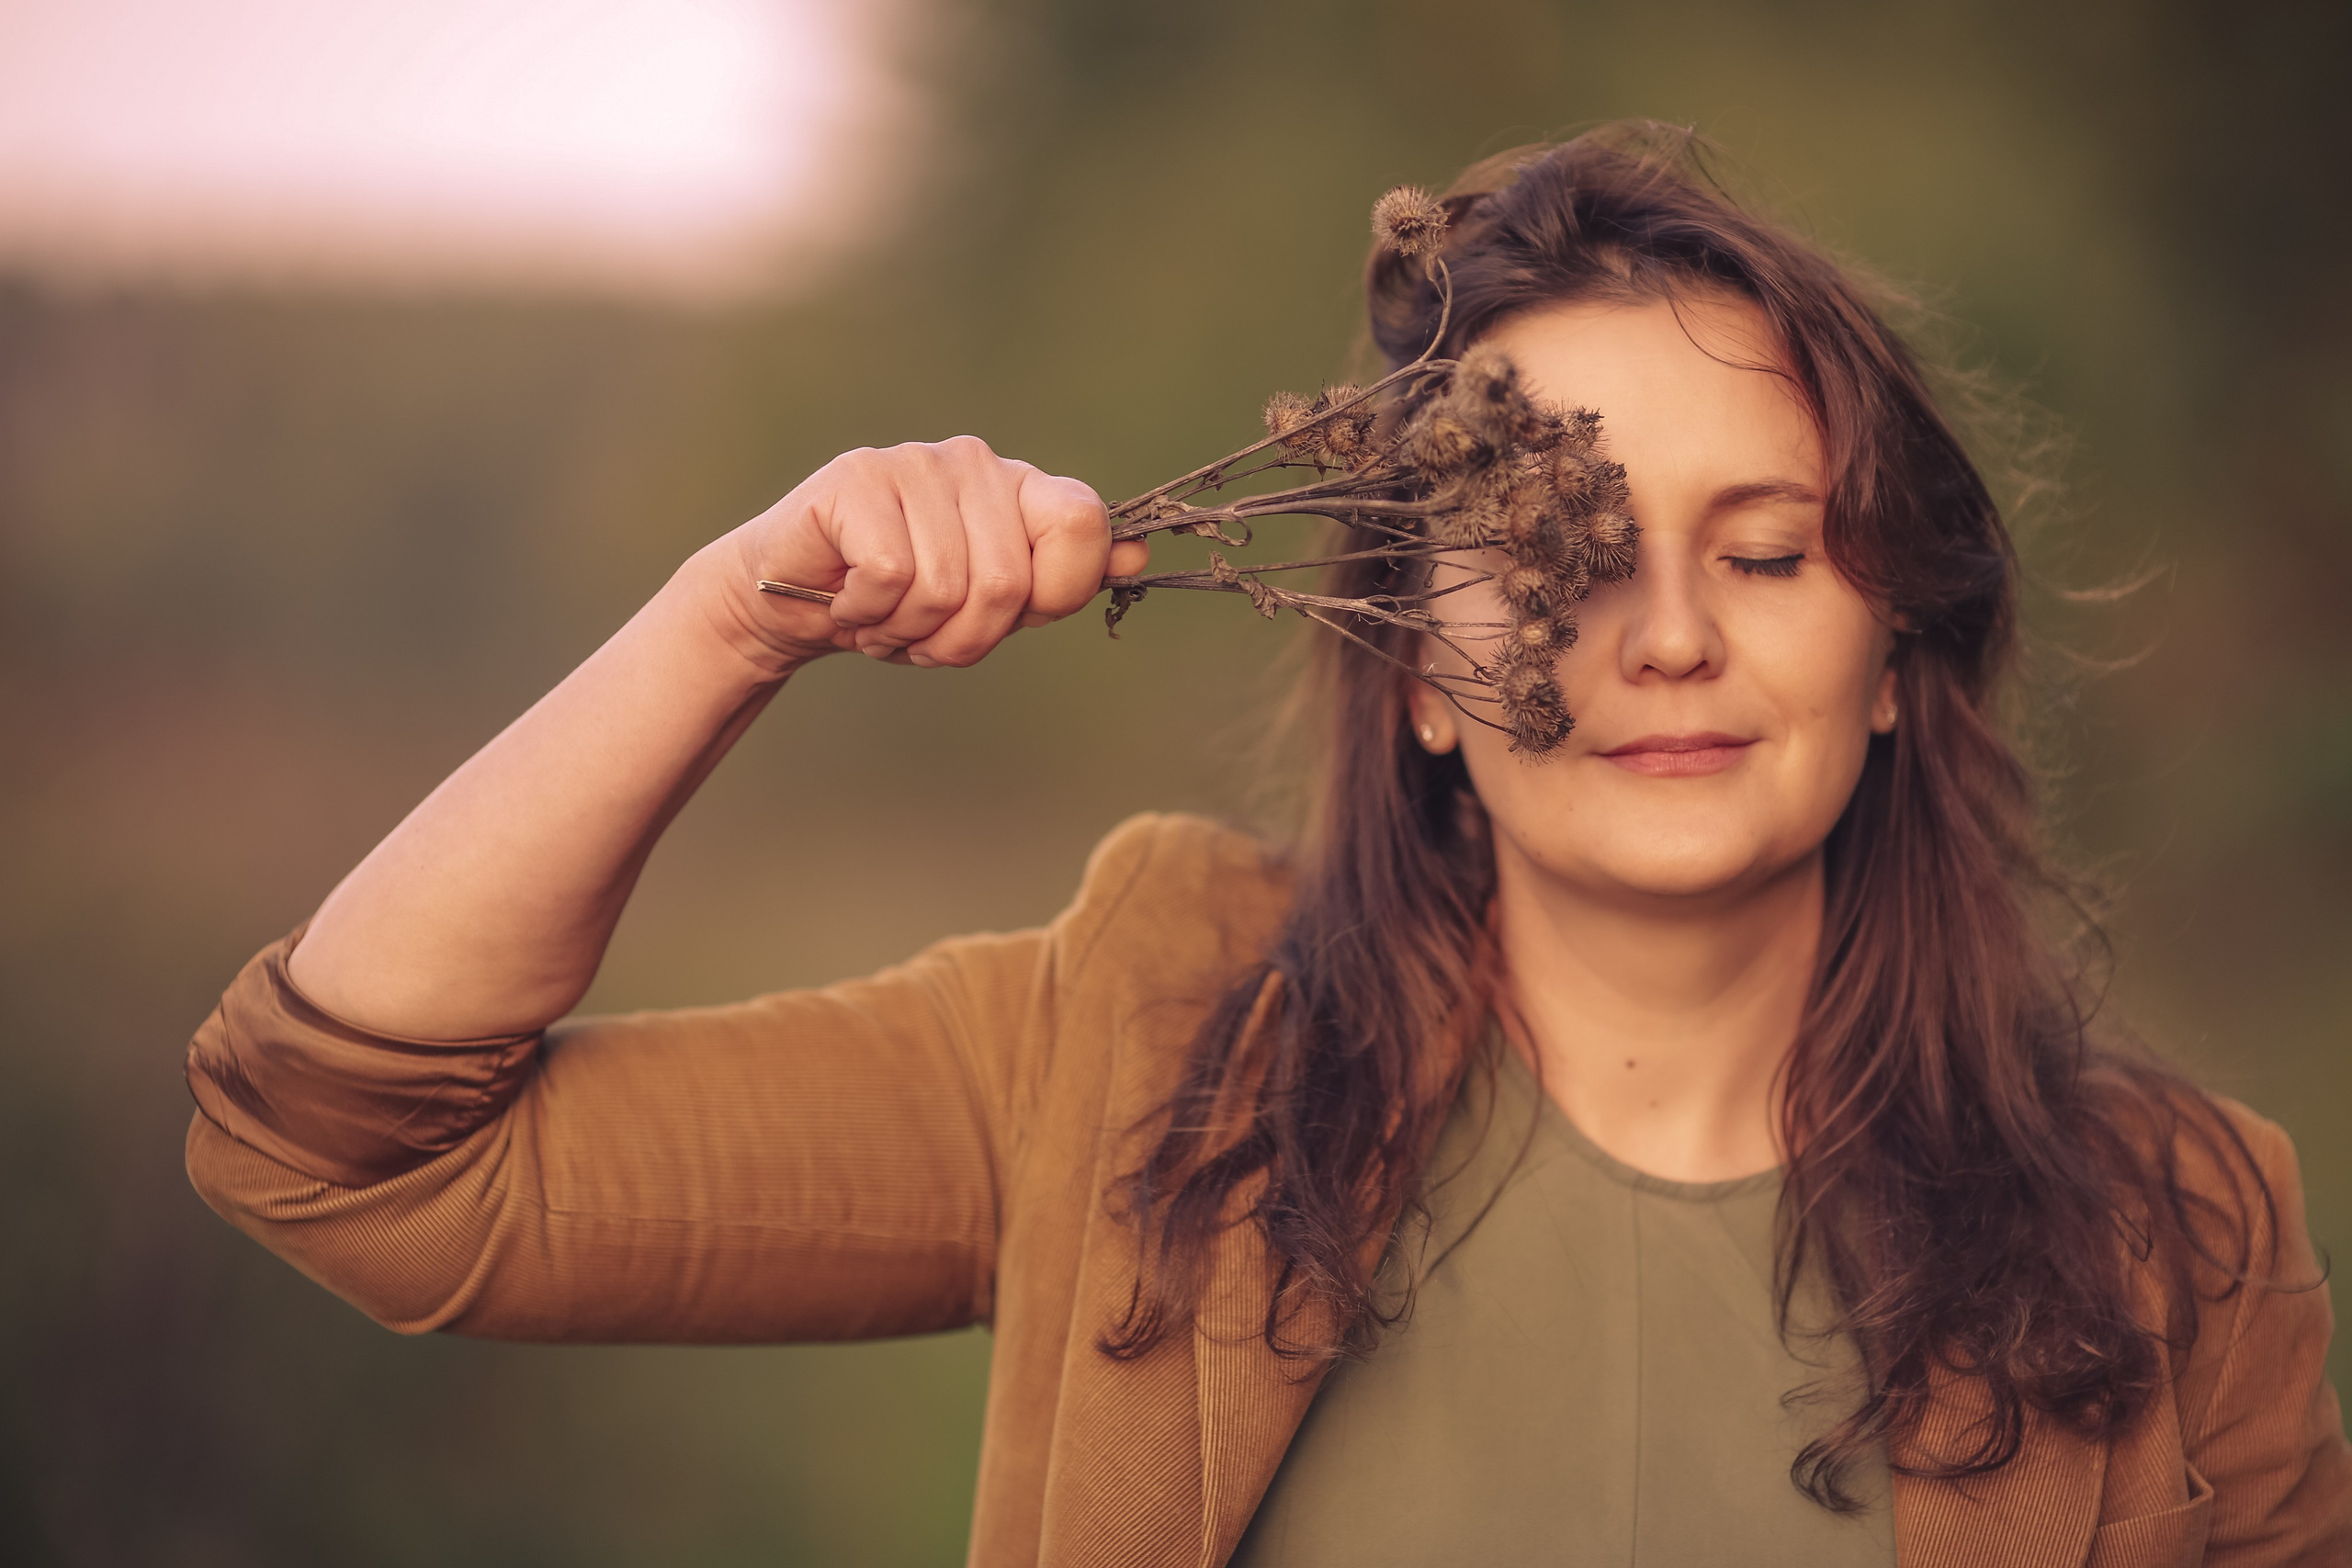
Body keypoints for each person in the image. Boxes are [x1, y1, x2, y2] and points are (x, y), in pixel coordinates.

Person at [185, 125, 2349, 1566]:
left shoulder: (2177, 1232)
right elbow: (355, 1154)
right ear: (1408, 660)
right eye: (1557, 554)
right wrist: (732, 613)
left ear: (1890, 647)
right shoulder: (1137, 1049)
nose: (1667, 634)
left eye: (1766, 551)